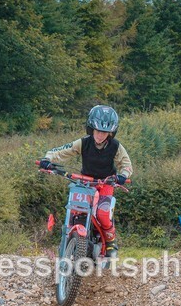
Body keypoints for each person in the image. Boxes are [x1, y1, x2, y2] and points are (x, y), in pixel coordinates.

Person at [38, 105, 133, 259]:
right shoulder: (83, 143)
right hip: (84, 183)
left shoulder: (116, 146)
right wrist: (47, 158)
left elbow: (126, 164)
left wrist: (123, 175)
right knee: (75, 209)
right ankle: (68, 241)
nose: (100, 135)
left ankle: (110, 242)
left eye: (104, 132)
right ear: (91, 129)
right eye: (98, 130)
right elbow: (62, 151)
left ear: (111, 132)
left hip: (105, 184)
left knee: (102, 214)